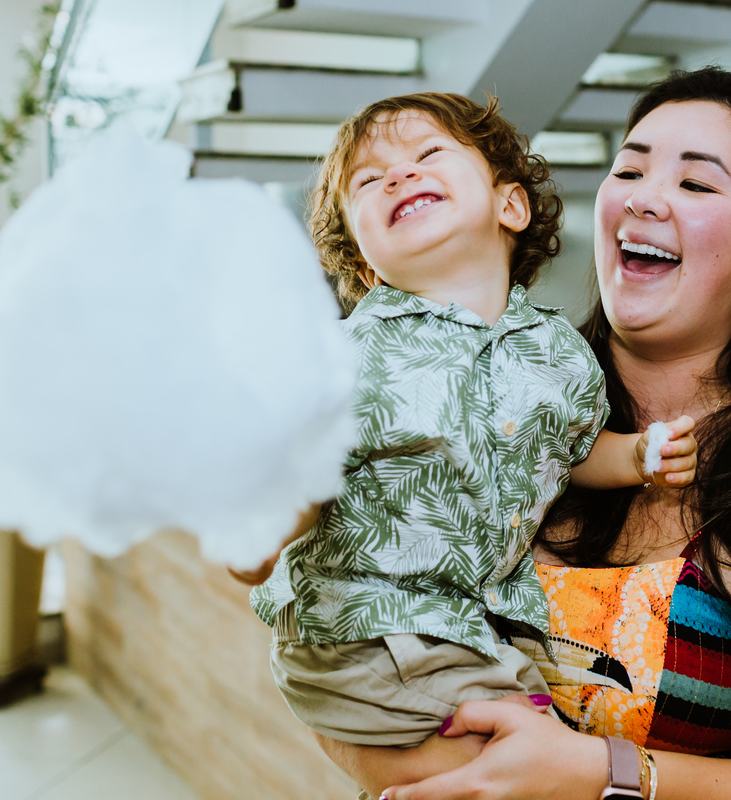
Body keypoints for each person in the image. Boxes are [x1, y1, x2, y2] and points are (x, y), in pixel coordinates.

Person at [314, 68, 731, 800]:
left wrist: (603, 774)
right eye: (628, 168)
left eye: (696, 184)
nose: (642, 195)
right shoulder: (474, 404)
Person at [236, 92, 698, 748]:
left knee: (540, 738)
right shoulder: (356, 354)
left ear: (511, 205)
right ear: (369, 267)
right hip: (366, 631)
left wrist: (636, 456)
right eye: (370, 181)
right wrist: (264, 528)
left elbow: (568, 449)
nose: (399, 175)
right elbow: (308, 463)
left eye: (427, 155)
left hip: (467, 632)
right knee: (519, 755)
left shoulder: (556, 352)